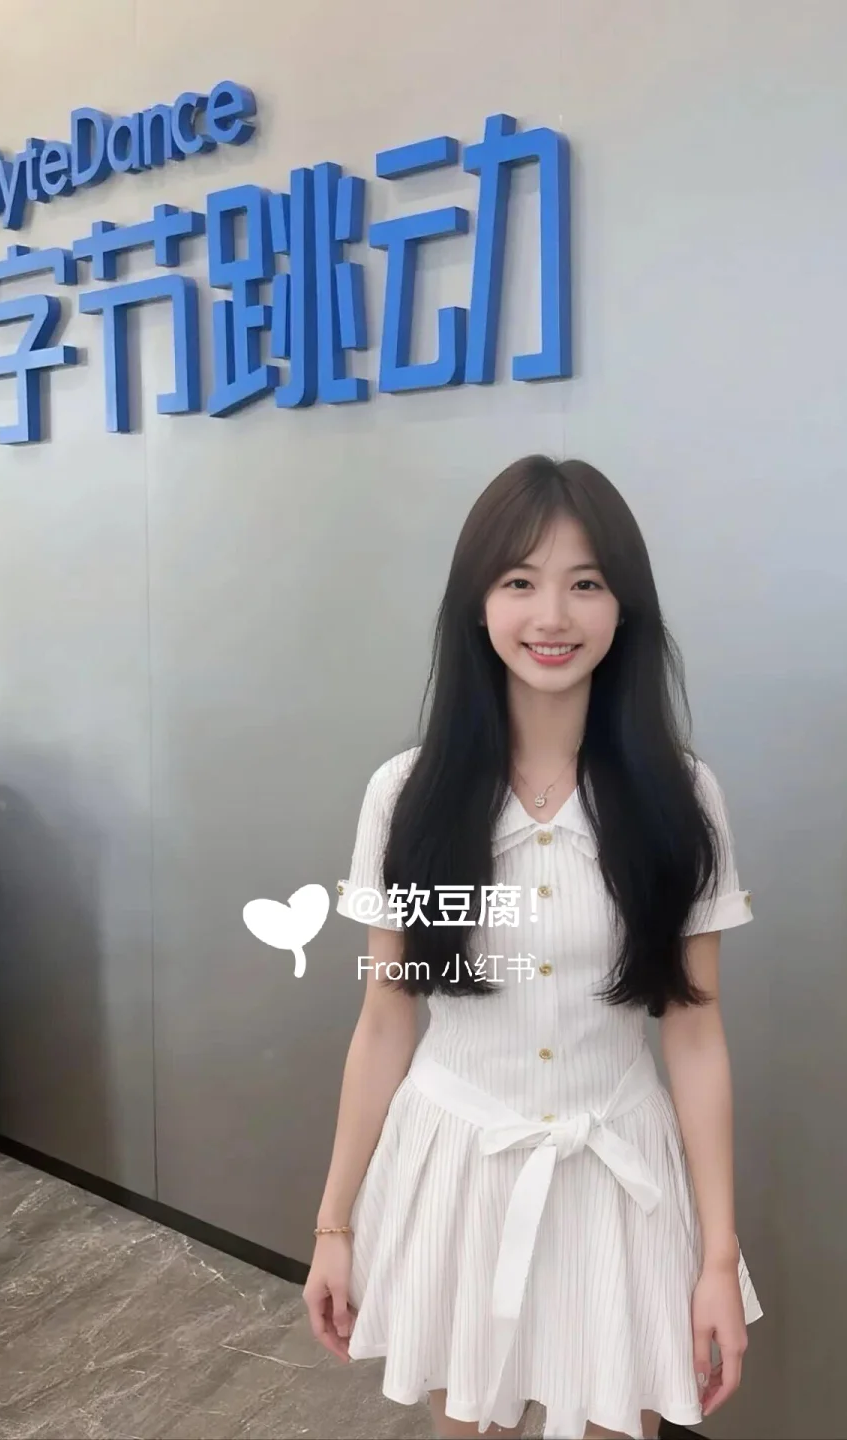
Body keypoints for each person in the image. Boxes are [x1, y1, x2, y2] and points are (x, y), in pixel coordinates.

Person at [303, 455, 763, 1440]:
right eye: (520, 581)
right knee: (470, 1422)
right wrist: (334, 1224)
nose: (551, 615)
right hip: (456, 1166)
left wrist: (718, 1257)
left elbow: (694, 1034)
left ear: (623, 607)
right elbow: (385, 1020)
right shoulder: (406, 794)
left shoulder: (682, 796)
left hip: (621, 1173)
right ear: (478, 605)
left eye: (585, 583)